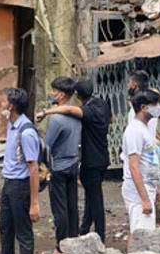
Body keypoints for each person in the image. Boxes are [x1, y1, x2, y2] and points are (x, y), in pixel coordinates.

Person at [42, 77, 111, 241]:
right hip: (102, 157)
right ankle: (84, 228)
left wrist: (46, 112)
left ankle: (100, 235)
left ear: (76, 94)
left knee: (94, 200)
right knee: (88, 198)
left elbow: (70, 111)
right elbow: (111, 119)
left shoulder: (85, 112)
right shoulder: (102, 104)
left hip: (89, 161)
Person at [0, 87, 41, 254]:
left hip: (20, 186)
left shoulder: (26, 132)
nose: (1, 104)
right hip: (9, 183)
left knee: (23, 231)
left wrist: (34, 202)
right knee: (5, 226)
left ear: (12, 106)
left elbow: (33, 168)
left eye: (4, 101)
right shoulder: (12, 124)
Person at [40, 77, 81, 254]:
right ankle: (72, 241)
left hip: (59, 166)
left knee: (60, 209)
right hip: (73, 164)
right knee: (72, 205)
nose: (51, 94)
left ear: (61, 95)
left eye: (53, 91)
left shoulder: (56, 119)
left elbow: (47, 146)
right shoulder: (76, 114)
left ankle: (60, 248)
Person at [121, 89, 160, 249]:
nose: (158, 108)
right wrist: (144, 198)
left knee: (145, 234)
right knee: (139, 235)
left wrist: (155, 186)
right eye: (155, 104)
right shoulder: (134, 131)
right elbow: (134, 166)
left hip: (147, 187)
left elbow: (150, 160)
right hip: (138, 192)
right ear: (144, 107)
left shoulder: (145, 128)